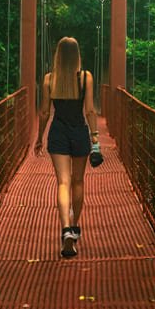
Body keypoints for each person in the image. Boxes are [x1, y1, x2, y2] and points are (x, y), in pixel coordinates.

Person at [34, 36, 100, 259]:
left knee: (63, 182)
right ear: (77, 54)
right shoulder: (85, 77)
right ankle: (74, 226)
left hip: (58, 132)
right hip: (79, 132)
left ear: (58, 55)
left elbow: (45, 112)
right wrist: (95, 137)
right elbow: (89, 110)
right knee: (78, 181)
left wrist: (39, 138)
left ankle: (65, 230)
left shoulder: (49, 79)